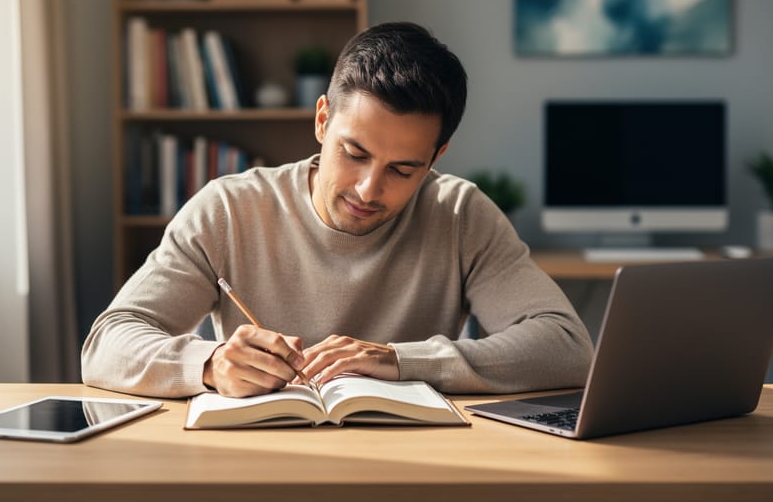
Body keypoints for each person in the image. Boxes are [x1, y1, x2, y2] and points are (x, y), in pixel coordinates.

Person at [82, 22, 593, 399]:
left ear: (436, 157)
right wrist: (209, 362)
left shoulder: (460, 213)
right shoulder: (229, 209)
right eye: (355, 154)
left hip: (416, 464)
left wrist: (402, 360)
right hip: (257, 461)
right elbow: (107, 343)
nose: (369, 190)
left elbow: (567, 347)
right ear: (323, 120)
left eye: (403, 169)